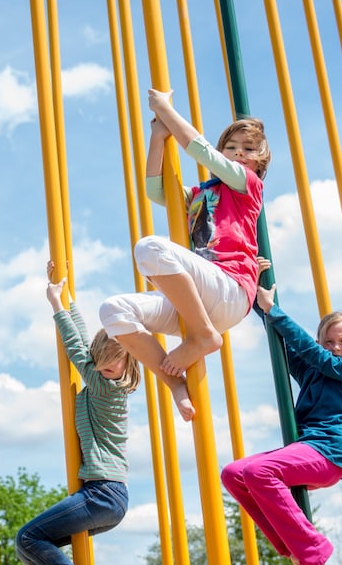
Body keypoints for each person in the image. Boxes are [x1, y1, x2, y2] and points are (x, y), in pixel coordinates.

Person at [100, 88, 270, 422]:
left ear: (259, 162)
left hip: (228, 287)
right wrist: (157, 137)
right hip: (196, 301)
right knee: (113, 311)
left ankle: (203, 336)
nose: (238, 154)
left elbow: (203, 153)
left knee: (149, 248)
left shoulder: (246, 184)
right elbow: (156, 190)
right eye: (231, 147)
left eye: (248, 149)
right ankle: (175, 383)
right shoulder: (200, 195)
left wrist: (166, 109)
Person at [16, 261, 142, 565]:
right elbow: (85, 344)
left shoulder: (110, 388)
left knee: (29, 536)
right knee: (34, 549)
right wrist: (67, 298)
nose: (105, 364)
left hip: (104, 493)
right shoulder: (99, 378)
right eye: (101, 358)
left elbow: (76, 348)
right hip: (105, 496)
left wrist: (55, 302)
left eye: (114, 359)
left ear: (127, 361)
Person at [220, 257, 342, 565]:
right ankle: (289, 546)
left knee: (260, 472)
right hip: (306, 451)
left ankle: (313, 548)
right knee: (234, 474)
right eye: (329, 342)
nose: (336, 347)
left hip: (327, 456)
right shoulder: (315, 370)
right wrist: (259, 301)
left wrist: (275, 311)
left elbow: (312, 354)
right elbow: (284, 348)